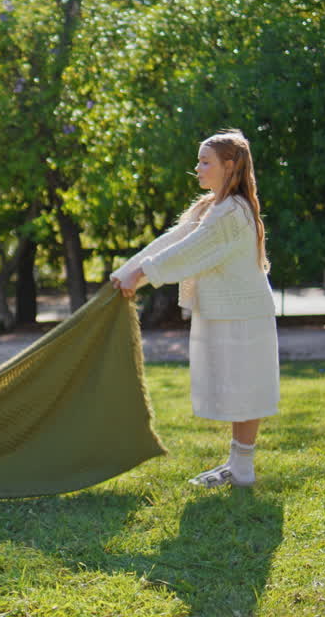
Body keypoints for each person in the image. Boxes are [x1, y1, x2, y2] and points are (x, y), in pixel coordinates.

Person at [110, 129, 278, 487]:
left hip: (244, 314)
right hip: (225, 312)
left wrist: (140, 274)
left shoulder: (232, 212)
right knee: (236, 389)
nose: (197, 168)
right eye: (199, 161)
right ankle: (238, 466)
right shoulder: (211, 207)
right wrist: (127, 273)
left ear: (229, 166)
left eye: (206, 162)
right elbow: (173, 240)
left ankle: (242, 469)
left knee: (246, 389)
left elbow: (189, 251)